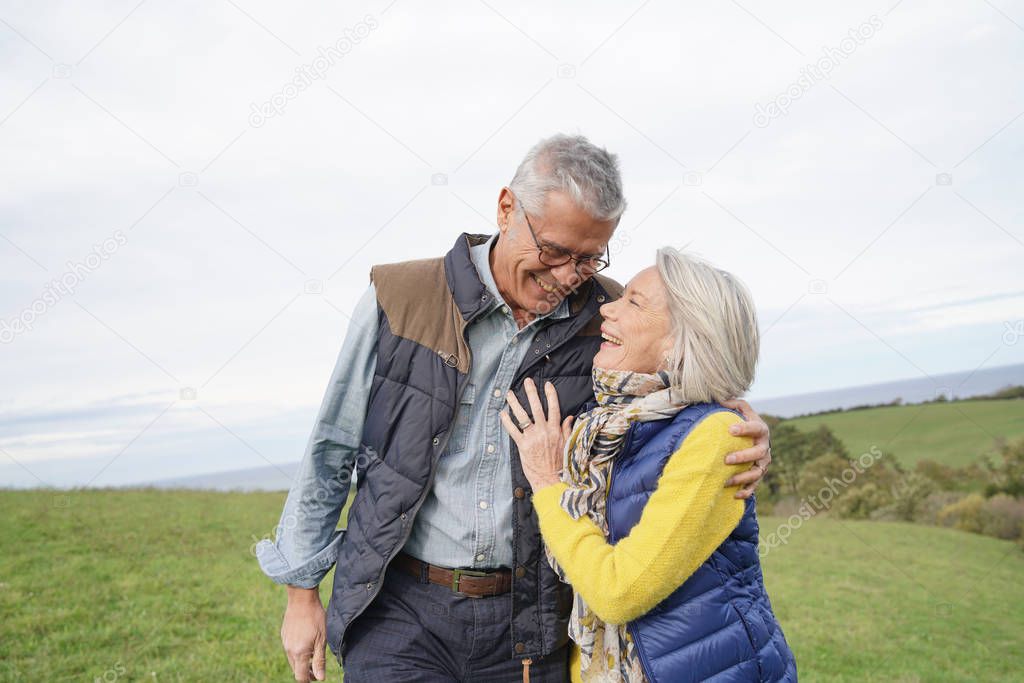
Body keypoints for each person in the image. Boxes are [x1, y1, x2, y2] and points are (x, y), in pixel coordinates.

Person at [256, 134, 774, 682]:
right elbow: (332, 447)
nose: (569, 275)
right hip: (398, 608)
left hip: (531, 619)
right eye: (553, 251)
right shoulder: (400, 296)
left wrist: (741, 419)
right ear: (507, 209)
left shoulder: (609, 312)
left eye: (589, 257)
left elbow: (684, 374)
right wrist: (301, 592)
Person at [501, 249, 796, 682]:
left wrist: (547, 480)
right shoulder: (607, 426)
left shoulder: (716, 438)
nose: (608, 306)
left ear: (683, 340)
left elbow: (618, 593)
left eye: (634, 302)